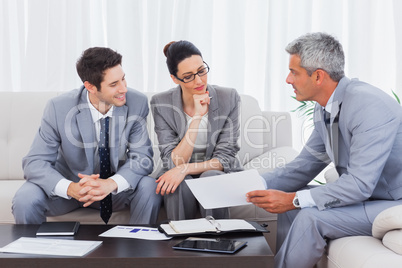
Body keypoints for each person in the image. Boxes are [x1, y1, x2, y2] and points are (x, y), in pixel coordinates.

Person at [246, 32, 402, 268]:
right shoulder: (324, 108)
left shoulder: (369, 106)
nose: (288, 80)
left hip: (393, 202)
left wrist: (295, 200)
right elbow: (305, 166)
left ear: (318, 76)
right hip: (370, 198)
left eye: (294, 72)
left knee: (309, 215)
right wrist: (249, 184)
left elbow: (359, 185)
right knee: (294, 201)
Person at [12, 47, 161, 225]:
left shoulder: (137, 103)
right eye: (114, 84)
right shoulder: (58, 108)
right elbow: (35, 162)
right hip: (69, 191)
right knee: (25, 198)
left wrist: (110, 184)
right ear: (90, 86)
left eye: (123, 78)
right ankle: (36, 253)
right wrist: (70, 188)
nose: (124, 89)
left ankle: (139, 247)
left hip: (115, 192)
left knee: (149, 187)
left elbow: (142, 157)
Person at [150, 40, 243, 220]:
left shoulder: (229, 98)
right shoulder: (161, 103)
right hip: (179, 172)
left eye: (201, 71)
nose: (199, 80)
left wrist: (185, 169)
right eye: (188, 76)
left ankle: (218, 242)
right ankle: (179, 243)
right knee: (178, 184)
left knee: (211, 177)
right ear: (174, 78)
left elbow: (225, 158)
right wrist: (197, 119)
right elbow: (174, 161)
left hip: (217, 171)